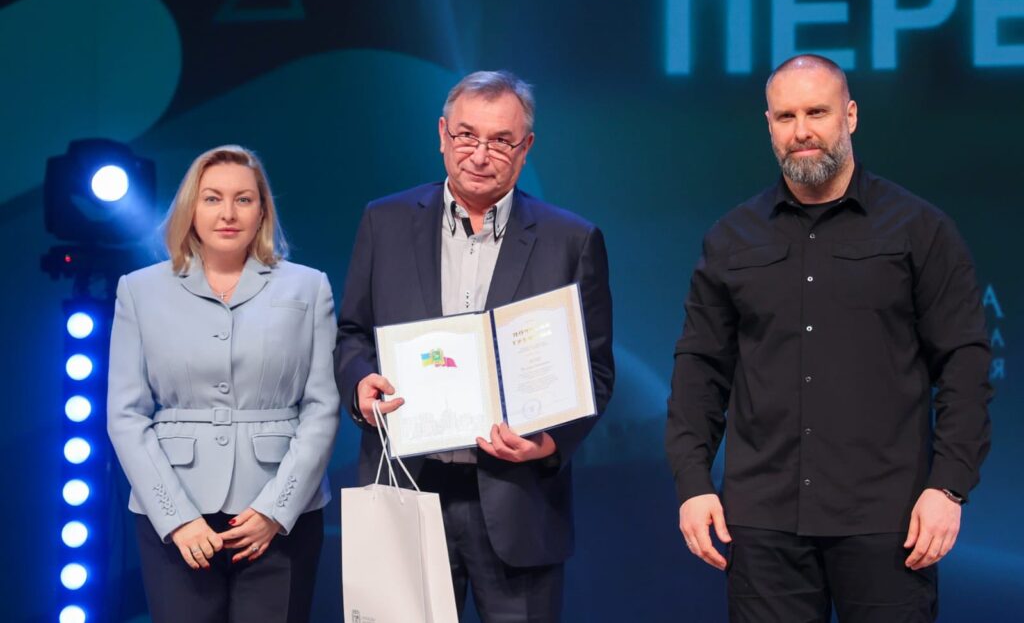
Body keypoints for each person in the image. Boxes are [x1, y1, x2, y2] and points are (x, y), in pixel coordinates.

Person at [665, 54, 992, 622]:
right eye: (785, 116)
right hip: (763, 524)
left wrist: (948, 488)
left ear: (851, 115)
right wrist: (693, 484)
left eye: (817, 112)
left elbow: (964, 364)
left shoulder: (919, 229)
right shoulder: (732, 238)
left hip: (889, 521)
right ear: (769, 124)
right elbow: (700, 370)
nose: (801, 131)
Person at [335, 70, 614, 622]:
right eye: (466, 135)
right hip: (406, 488)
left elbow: (596, 371)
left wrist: (549, 444)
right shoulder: (384, 221)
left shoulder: (571, 240)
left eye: (500, 141)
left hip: (518, 499)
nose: (480, 155)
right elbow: (352, 334)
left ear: (526, 148)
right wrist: (360, 385)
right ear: (442, 134)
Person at [107, 145, 340, 623]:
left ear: (262, 211)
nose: (228, 214)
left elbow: (322, 408)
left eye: (243, 199)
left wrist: (276, 509)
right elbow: (125, 416)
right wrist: (176, 518)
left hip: (279, 515)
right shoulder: (139, 290)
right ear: (190, 208)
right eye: (212, 198)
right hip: (175, 514)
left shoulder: (308, 286)